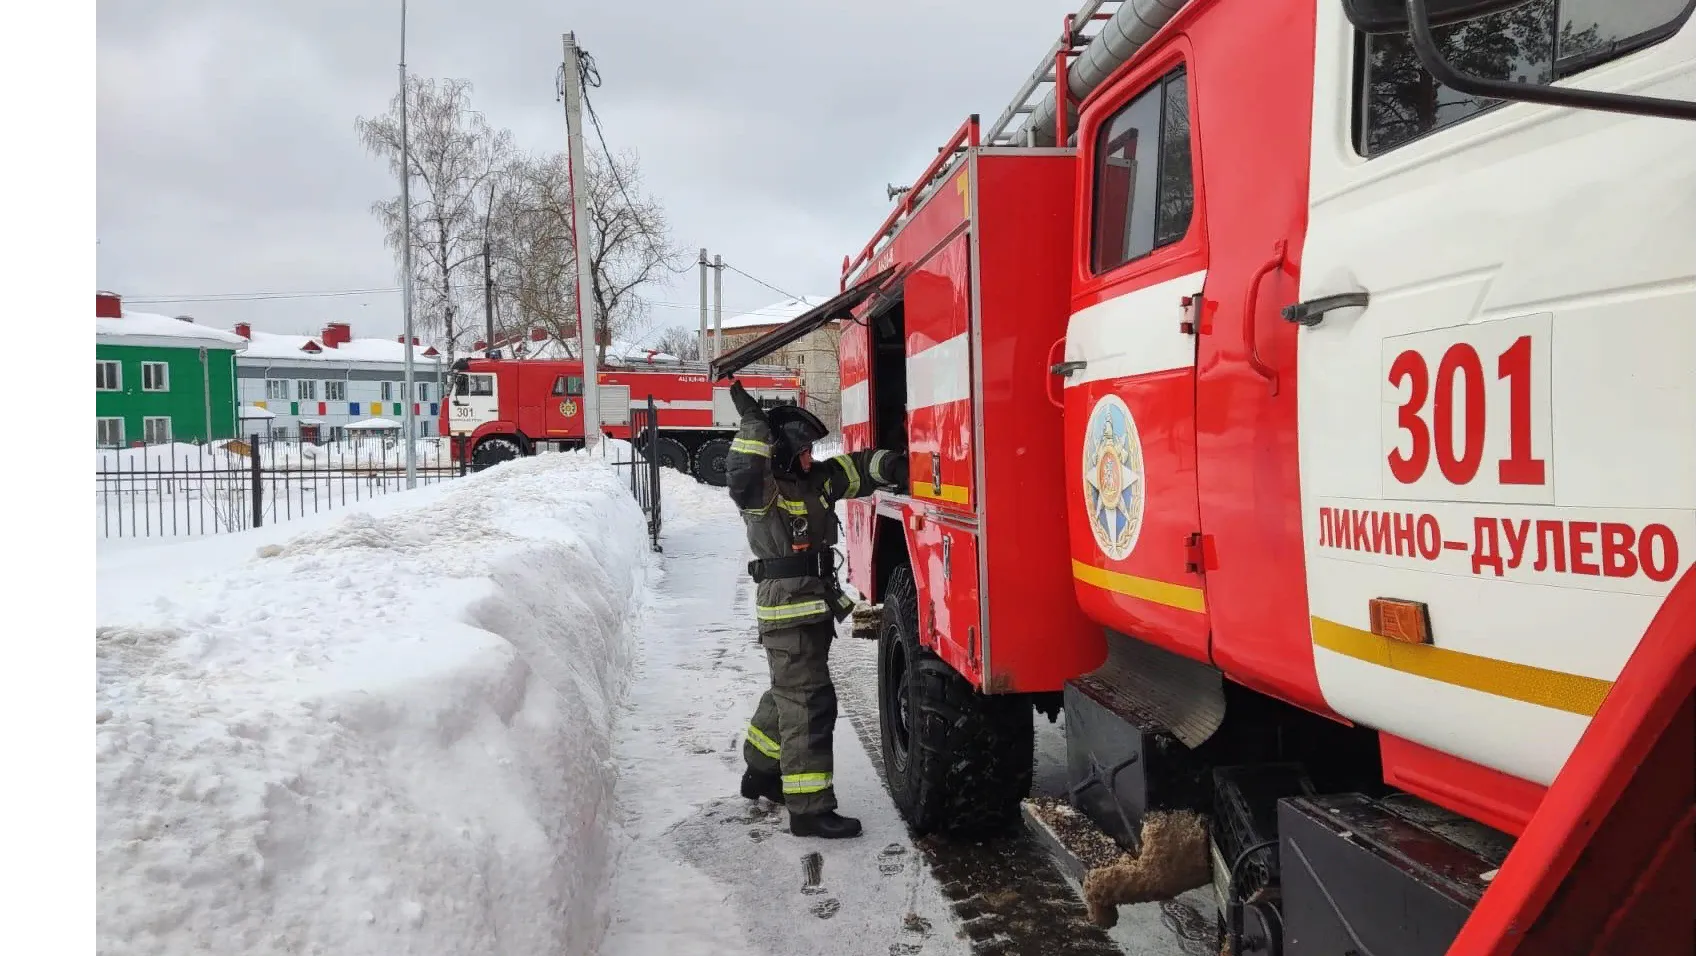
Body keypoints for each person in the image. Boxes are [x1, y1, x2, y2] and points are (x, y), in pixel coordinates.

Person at [725, 379, 907, 839]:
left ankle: (762, 771)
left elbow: (856, 469)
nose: (811, 457)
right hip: (789, 612)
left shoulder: (814, 482)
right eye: (802, 450)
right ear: (782, 452)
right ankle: (808, 809)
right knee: (808, 702)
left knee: (790, 692)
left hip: (812, 607)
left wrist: (897, 464)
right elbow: (744, 471)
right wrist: (753, 424)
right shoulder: (763, 494)